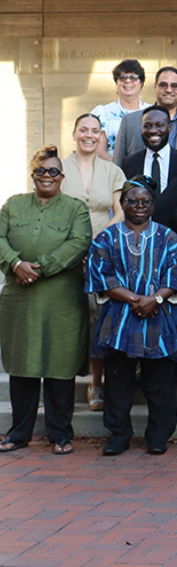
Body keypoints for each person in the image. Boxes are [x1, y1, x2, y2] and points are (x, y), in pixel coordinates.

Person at [86, 176, 177, 456]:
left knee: (160, 383)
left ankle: (158, 436)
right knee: (118, 382)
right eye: (132, 201)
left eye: (145, 201)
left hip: (159, 319)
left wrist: (154, 299)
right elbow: (101, 275)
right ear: (122, 204)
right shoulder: (107, 237)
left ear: (153, 204)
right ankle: (118, 435)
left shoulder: (168, 236)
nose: (139, 206)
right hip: (118, 320)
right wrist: (135, 299)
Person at [0, 146, 91, 454]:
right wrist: (15, 264)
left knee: (59, 366)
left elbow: (79, 242)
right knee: (21, 366)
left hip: (62, 300)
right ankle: (18, 433)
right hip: (19, 300)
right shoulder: (13, 205)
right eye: (41, 171)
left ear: (62, 176)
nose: (47, 176)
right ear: (33, 175)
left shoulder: (75, 208)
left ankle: (61, 434)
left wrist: (40, 267)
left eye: (53, 171)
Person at [62, 113, 126, 411]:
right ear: (74, 133)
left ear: (102, 135)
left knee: (99, 317)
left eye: (95, 131)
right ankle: (63, 377)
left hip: (104, 254)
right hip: (65, 253)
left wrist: (98, 246)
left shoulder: (113, 171)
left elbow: (120, 212)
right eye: (83, 129)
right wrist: (75, 246)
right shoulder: (59, 168)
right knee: (73, 317)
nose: (89, 135)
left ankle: (96, 384)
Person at [112, 66, 177, 165]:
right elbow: (118, 163)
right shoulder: (130, 121)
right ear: (155, 87)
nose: (169, 90)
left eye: (174, 86)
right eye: (163, 85)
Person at [120, 106, 177, 186]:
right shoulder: (129, 163)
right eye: (147, 126)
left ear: (169, 128)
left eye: (159, 125)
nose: (152, 130)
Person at [92, 58, 148, 158]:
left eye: (133, 77)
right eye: (122, 78)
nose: (127, 81)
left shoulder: (152, 112)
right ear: (116, 83)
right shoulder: (103, 113)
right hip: (110, 170)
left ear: (141, 83)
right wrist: (119, 170)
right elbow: (99, 151)